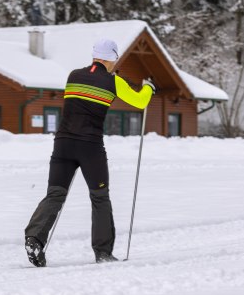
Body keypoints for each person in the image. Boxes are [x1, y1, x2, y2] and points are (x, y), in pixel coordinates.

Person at [24, 38, 155, 266]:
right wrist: (148, 87)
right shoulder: (113, 81)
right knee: (100, 198)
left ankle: (34, 238)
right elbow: (140, 101)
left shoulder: (73, 76)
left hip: (62, 145)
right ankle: (103, 252)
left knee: (55, 194)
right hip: (90, 147)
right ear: (112, 58)